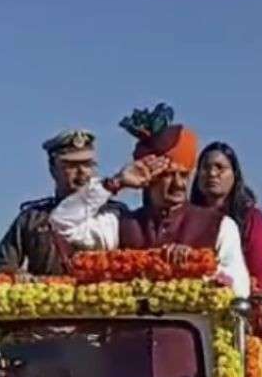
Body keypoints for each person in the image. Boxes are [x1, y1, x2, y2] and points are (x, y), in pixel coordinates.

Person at [49, 104, 251, 298]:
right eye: (168, 175)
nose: (178, 185)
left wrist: (195, 268)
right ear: (147, 179)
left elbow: (239, 289)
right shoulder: (121, 225)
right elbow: (62, 222)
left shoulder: (219, 226)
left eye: (184, 175)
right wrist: (115, 183)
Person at [189, 142, 262, 330]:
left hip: (241, 315)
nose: (212, 174)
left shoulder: (252, 219)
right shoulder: (187, 219)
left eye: (220, 168)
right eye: (205, 168)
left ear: (234, 175)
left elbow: (257, 277)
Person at [0, 129, 129, 276]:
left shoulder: (114, 214)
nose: (82, 172)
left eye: (87, 164)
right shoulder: (32, 219)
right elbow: (2, 269)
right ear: (53, 169)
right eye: (71, 165)